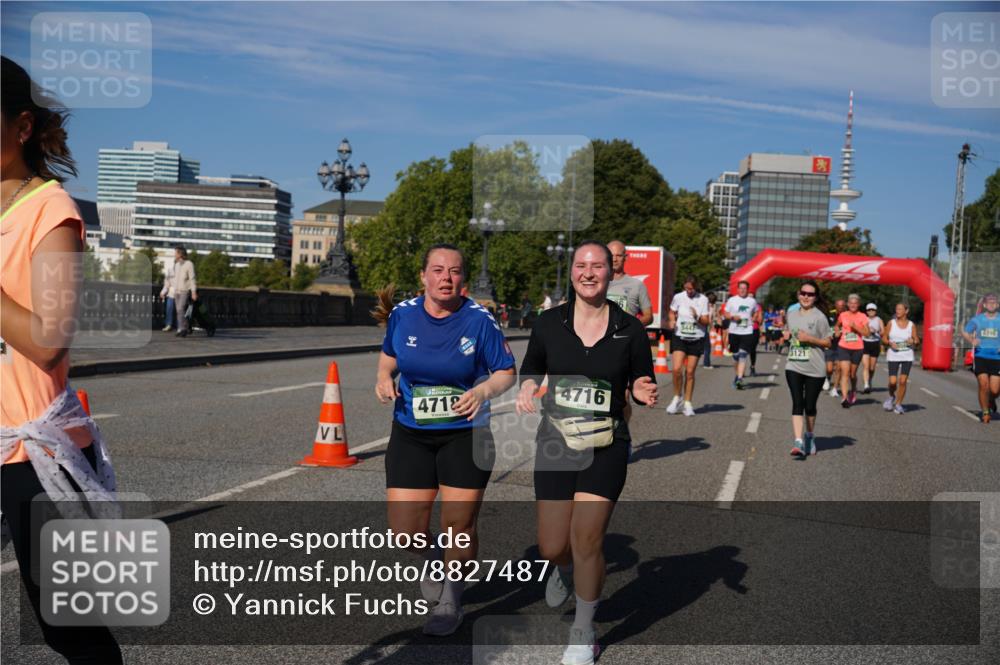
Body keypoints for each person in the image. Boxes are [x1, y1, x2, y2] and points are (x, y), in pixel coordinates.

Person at [0, 55, 123, 664]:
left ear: (21, 128)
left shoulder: (51, 210)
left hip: (28, 451)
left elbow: (49, 338)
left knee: (65, 623)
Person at [516, 241, 657, 665]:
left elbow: (640, 377)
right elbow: (532, 367)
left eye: (598, 266)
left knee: (588, 538)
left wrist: (642, 388)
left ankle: (584, 629)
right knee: (553, 545)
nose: (589, 272)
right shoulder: (547, 323)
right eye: (582, 265)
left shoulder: (630, 329)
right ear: (572, 271)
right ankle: (562, 568)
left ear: (612, 273)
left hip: (607, 442)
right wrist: (526, 387)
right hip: (556, 441)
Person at [373, 243, 516, 636]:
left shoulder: (479, 320)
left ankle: (451, 597)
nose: (445, 278)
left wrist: (483, 392)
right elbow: (389, 359)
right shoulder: (402, 315)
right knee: (404, 531)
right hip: (411, 433)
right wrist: (384, 379)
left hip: (466, 436)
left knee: (460, 526)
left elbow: (506, 371)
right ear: (423, 276)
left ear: (463, 280)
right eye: (437, 270)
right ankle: (435, 561)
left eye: (453, 272)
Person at [781, 280, 832, 458]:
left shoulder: (820, 317)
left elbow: (828, 342)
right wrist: (786, 335)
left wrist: (810, 338)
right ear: (798, 294)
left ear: (815, 297)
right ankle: (798, 442)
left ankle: (809, 436)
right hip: (793, 364)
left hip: (815, 368)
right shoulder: (792, 313)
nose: (806, 297)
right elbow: (790, 332)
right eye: (803, 293)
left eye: (810, 294)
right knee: (797, 402)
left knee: (810, 406)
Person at [665, 275, 710, 416]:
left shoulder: (703, 300)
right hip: (680, 336)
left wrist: (697, 316)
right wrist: (672, 321)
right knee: (677, 369)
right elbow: (672, 311)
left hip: (696, 338)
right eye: (686, 288)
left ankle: (688, 403)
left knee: (690, 372)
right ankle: (676, 397)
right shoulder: (678, 297)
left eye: (691, 288)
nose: (689, 291)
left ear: (695, 287)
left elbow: (706, 321)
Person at [962, 293, 1000, 423]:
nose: (991, 304)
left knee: (994, 390)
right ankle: (985, 411)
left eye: (994, 302)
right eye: (989, 302)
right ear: (984, 305)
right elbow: (965, 331)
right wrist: (971, 339)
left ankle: (991, 399)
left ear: (998, 305)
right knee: (984, 385)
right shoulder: (977, 319)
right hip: (980, 356)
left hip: (997, 358)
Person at [882, 302, 920, 415]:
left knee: (902, 381)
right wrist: (889, 342)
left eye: (900, 309)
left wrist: (913, 341)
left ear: (906, 311)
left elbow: (917, 340)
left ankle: (898, 404)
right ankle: (891, 396)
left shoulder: (911, 325)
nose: (897, 311)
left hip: (907, 355)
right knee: (892, 382)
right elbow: (884, 337)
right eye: (896, 309)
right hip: (893, 355)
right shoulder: (891, 323)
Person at [606, 240, 653, 326]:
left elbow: (649, 316)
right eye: (611, 255)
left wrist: (630, 326)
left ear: (625, 257)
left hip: (626, 337)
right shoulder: (596, 283)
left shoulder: (637, 285)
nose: (614, 259)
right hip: (600, 336)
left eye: (619, 255)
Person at [836, 294, 870, 408]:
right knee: (845, 372)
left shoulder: (863, 316)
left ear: (858, 305)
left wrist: (855, 327)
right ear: (848, 304)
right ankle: (844, 398)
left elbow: (867, 333)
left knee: (852, 374)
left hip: (857, 348)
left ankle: (853, 390)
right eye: (851, 303)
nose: (853, 305)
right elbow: (837, 325)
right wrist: (836, 331)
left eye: (855, 303)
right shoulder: (843, 315)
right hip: (843, 346)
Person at [724, 280, 758, 390]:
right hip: (734, 331)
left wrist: (754, 318)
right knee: (735, 356)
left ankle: (739, 378)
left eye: (745, 288)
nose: (743, 290)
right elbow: (725, 313)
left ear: (748, 290)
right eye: (741, 288)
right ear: (737, 289)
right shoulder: (732, 300)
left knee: (743, 354)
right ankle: (737, 374)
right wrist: (733, 317)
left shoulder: (752, 301)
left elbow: (756, 311)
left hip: (747, 331)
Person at [172, 245, 198, 337]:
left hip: (185, 290)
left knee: (180, 308)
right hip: (177, 291)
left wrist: (194, 292)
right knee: (179, 310)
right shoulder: (176, 265)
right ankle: (182, 328)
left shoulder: (189, 264)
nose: (174, 254)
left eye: (175, 253)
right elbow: (174, 278)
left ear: (180, 254)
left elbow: (192, 279)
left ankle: (183, 329)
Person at [860, 303, 884, 394]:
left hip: (875, 344)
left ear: (875, 311)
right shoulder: (863, 319)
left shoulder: (879, 320)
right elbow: (860, 330)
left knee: (872, 368)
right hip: (865, 343)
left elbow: (883, 332)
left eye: (872, 310)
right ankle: (866, 385)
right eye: (869, 310)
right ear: (866, 311)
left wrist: (876, 331)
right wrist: (866, 331)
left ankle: (869, 381)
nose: (871, 312)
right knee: (866, 366)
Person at [824, 299, 846, 396]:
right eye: (838, 305)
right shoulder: (830, 314)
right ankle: (827, 378)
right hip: (830, 343)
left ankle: (835, 389)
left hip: (842, 345)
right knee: (829, 369)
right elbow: (824, 327)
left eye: (842, 305)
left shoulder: (847, 315)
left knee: (838, 368)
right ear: (835, 305)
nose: (840, 307)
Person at [703, 291, 721, 369]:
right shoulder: (710, 308)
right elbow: (709, 319)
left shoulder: (705, 306)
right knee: (707, 347)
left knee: (704, 346)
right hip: (706, 328)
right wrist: (712, 327)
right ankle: (706, 364)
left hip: (702, 327)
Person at [160, 264, 177, 332]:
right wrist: (163, 292)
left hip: (180, 294)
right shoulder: (170, 271)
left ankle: (179, 326)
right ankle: (169, 324)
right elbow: (167, 285)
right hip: (172, 294)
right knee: (169, 310)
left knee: (179, 311)